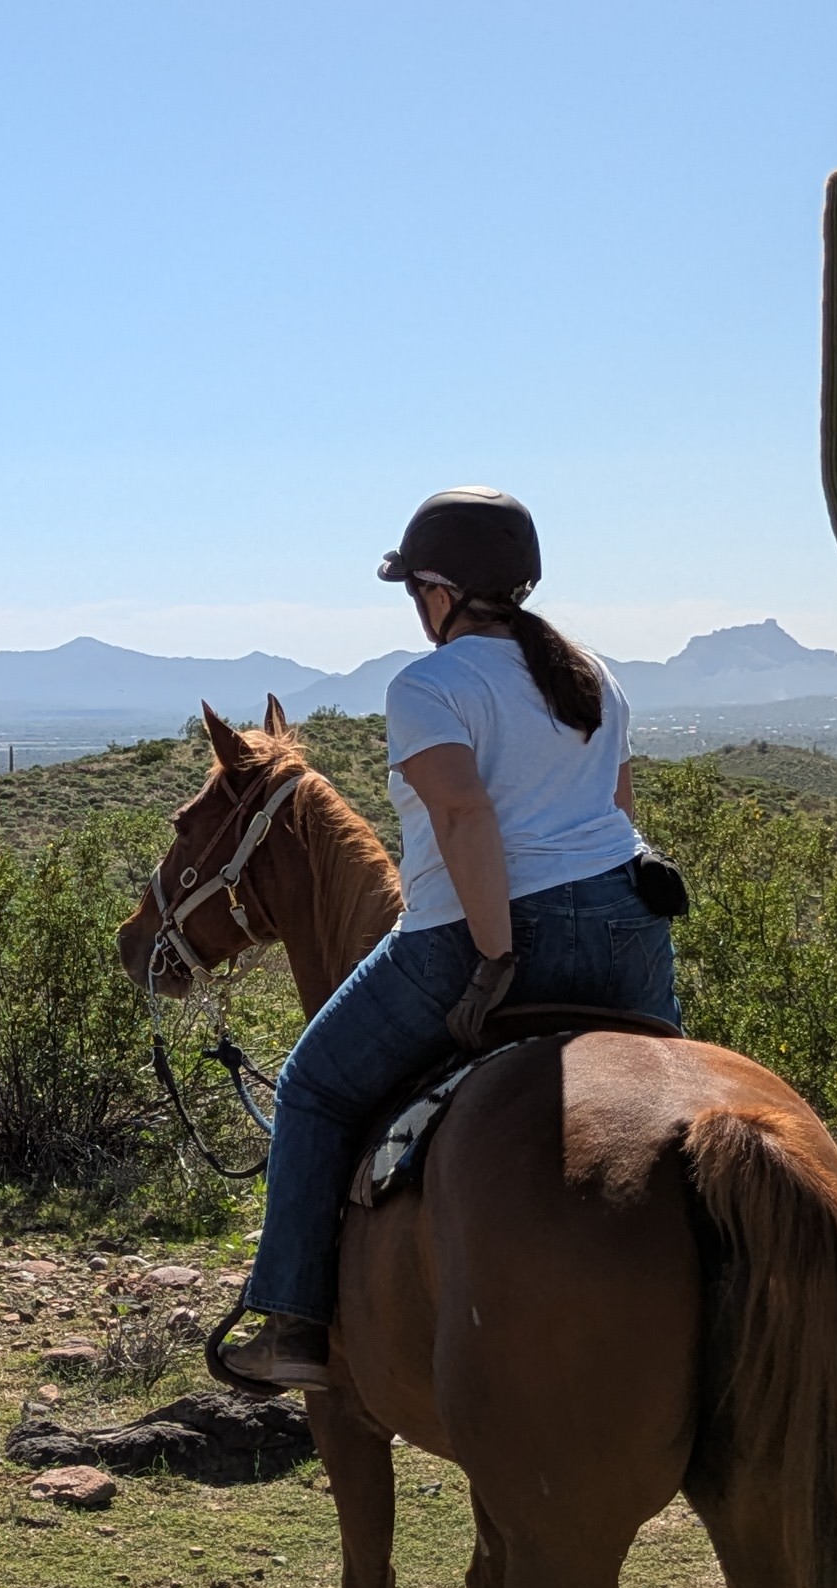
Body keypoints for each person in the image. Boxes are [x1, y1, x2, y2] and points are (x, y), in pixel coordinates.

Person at [214, 487, 680, 1394]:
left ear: (439, 589)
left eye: (412, 590)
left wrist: (498, 957)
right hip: (629, 931)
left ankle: (295, 1321)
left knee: (314, 1084)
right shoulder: (593, 675)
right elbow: (618, 814)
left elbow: (466, 819)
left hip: (481, 935)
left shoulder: (429, 686)